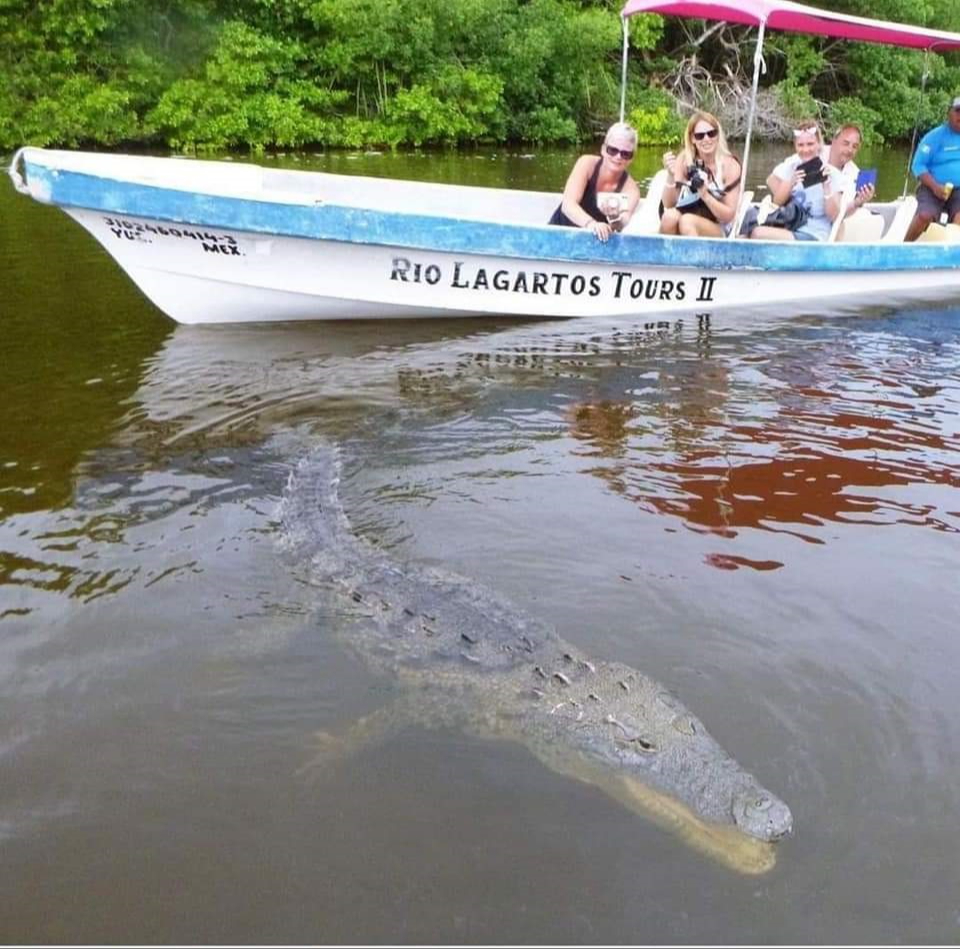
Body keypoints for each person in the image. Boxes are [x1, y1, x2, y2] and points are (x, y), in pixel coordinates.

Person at [748, 120, 844, 241]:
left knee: (758, 234)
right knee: (746, 231)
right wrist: (790, 182)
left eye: (810, 144)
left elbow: (835, 216)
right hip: (790, 226)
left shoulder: (832, 173)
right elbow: (776, 202)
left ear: (819, 144)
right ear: (795, 146)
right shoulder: (792, 167)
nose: (805, 149)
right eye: (801, 145)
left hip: (814, 233)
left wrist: (827, 187)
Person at [549, 122, 642, 242]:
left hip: (596, 245)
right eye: (612, 150)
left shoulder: (631, 190)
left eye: (625, 154)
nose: (618, 157)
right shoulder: (586, 164)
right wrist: (592, 224)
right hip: (558, 234)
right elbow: (568, 205)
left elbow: (623, 221)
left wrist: (614, 218)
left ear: (631, 159)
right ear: (603, 150)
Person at [660, 112, 742, 237]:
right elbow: (669, 204)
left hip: (718, 224)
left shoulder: (730, 165)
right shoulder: (685, 160)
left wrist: (705, 194)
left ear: (717, 135)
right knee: (669, 217)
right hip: (690, 212)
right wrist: (671, 175)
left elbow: (728, 215)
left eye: (711, 133)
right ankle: (665, 255)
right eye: (700, 136)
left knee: (687, 221)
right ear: (692, 138)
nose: (706, 139)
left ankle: (693, 256)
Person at [905, 97, 960, 241]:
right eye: (958, 111)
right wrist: (935, 187)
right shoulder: (934, 136)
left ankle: (952, 255)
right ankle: (903, 247)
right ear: (950, 112)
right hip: (932, 187)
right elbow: (918, 165)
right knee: (924, 216)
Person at [823, 124, 875, 215]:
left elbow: (841, 213)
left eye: (854, 146)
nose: (850, 150)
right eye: (846, 143)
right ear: (834, 141)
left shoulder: (855, 174)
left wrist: (858, 202)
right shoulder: (815, 154)